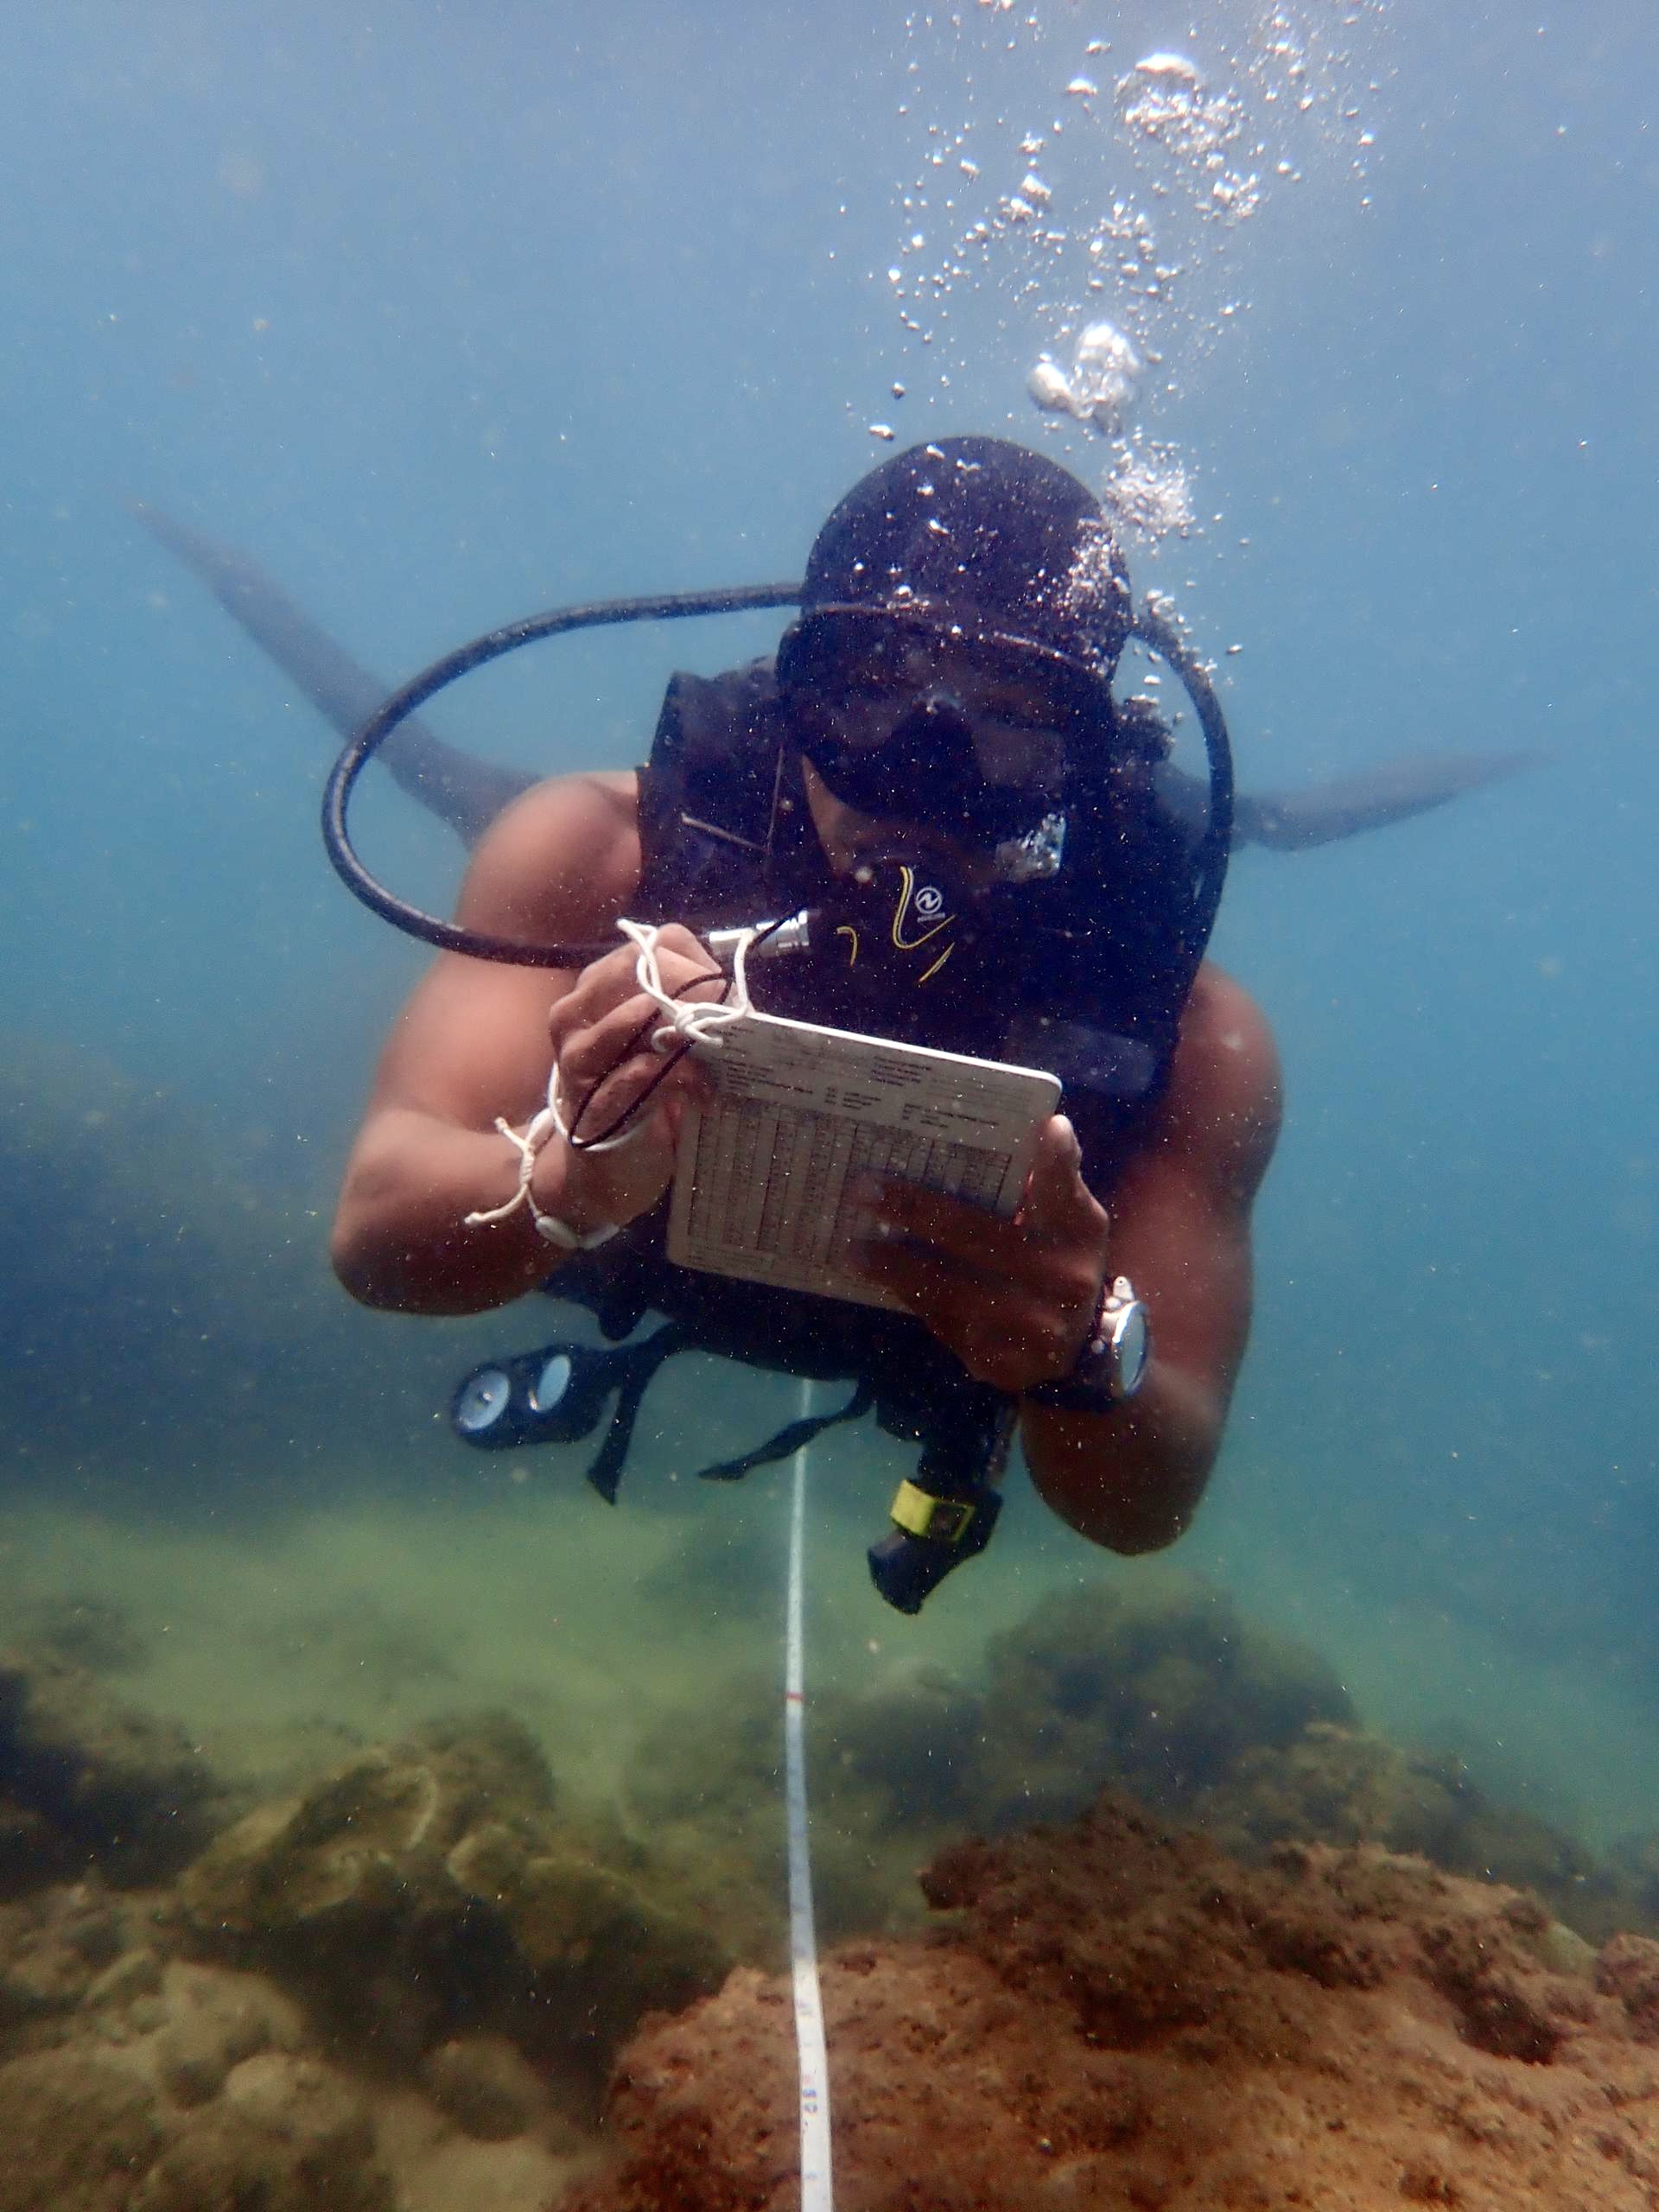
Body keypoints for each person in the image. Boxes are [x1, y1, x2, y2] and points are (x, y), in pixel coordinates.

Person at [328, 437, 1281, 1590]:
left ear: (1084, 761)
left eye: (1012, 722)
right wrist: (562, 1186)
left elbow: (1149, 1505)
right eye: (873, 693)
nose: (927, 775)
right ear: (795, 689)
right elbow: (377, 1232)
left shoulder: (1190, 1035)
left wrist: (1077, 1358)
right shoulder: (595, 852)